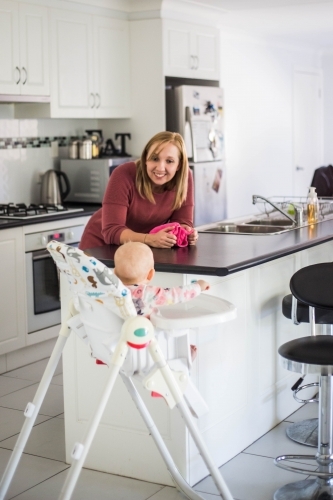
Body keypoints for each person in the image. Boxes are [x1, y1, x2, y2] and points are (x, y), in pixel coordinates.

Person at [79, 131, 198, 250]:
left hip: (141, 248)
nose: (160, 168)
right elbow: (112, 230)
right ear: (146, 158)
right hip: (101, 247)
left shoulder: (184, 177)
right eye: (155, 158)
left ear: (179, 165)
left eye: (169, 161)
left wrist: (186, 232)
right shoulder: (123, 174)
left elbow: (181, 221)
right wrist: (150, 239)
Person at [113, 241, 210, 317]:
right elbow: (177, 294)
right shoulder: (147, 293)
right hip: (147, 339)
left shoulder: (109, 291)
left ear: (114, 272)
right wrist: (198, 286)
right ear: (150, 274)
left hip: (119, 338)